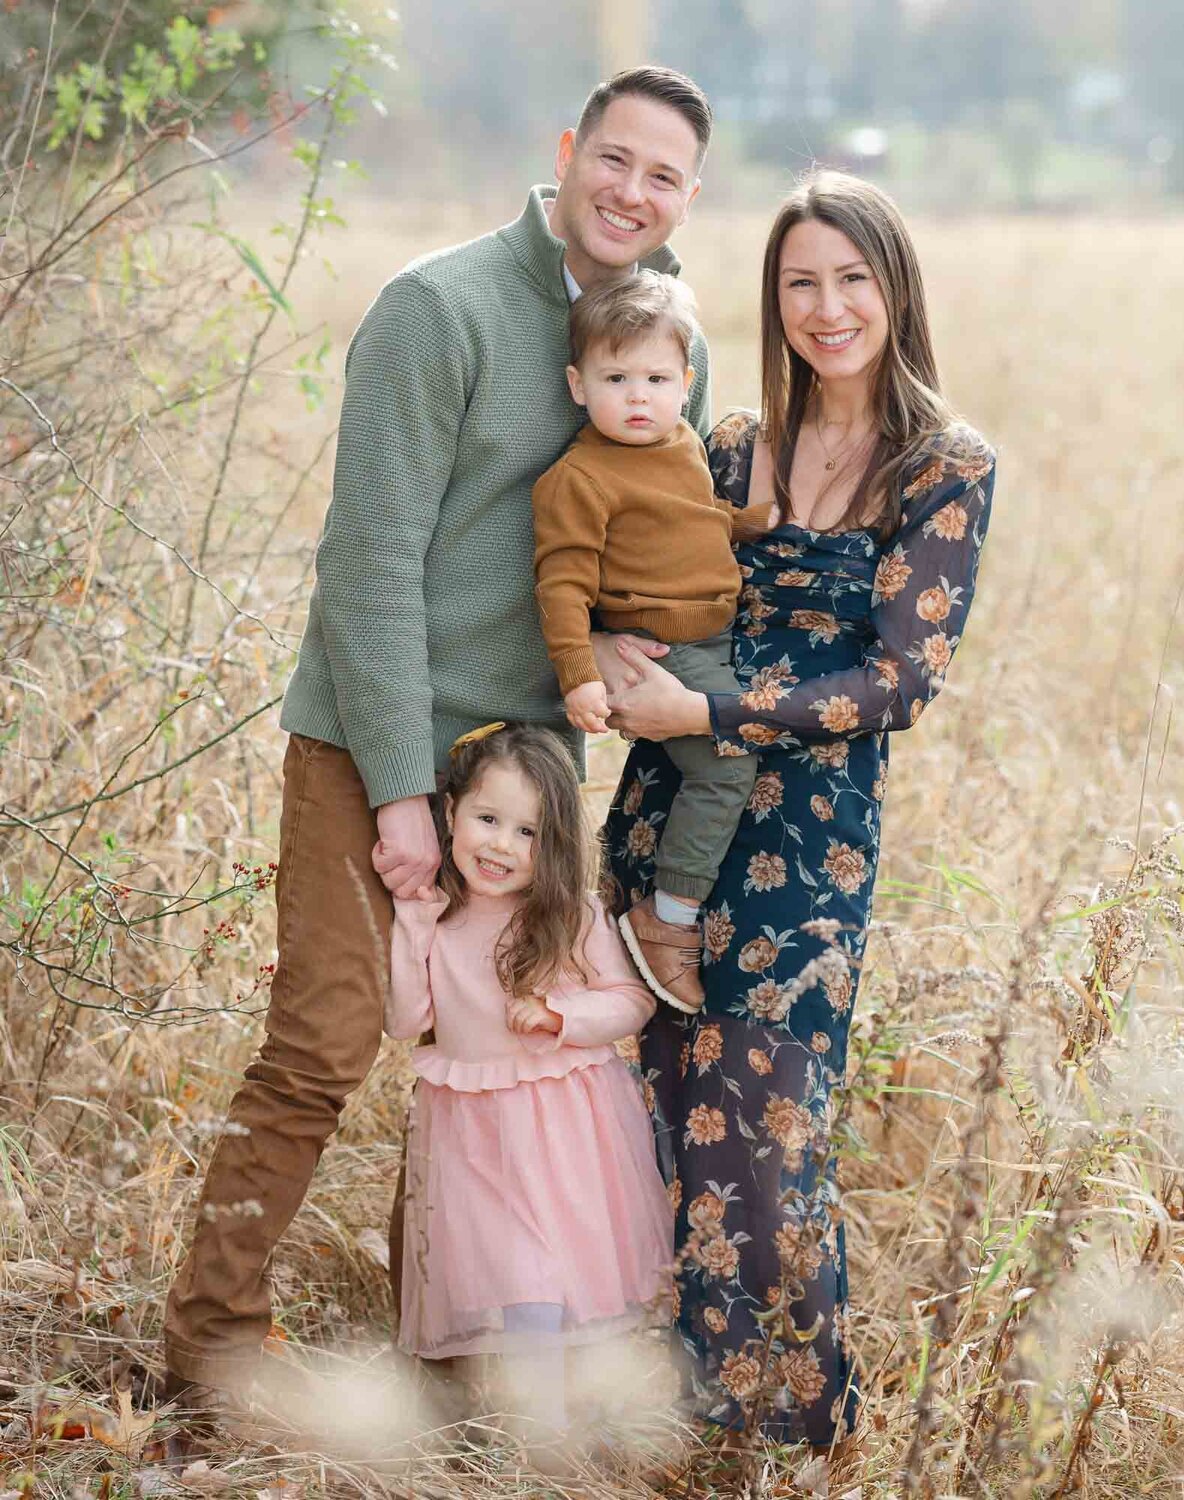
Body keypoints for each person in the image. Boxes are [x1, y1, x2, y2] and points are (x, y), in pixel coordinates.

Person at [162, 66, 713, 1401]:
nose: (634, 192)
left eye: (667, 176)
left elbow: (648, 522)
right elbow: (371, 566)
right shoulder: (439, 306)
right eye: (617, 159)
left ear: (689, 197)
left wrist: (645, 638)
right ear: (569, 148)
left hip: (525, 771)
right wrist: (401, 793)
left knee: (491, 1054)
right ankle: (208, 1354)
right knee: (326, 1039)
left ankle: (454, 1351)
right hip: (378, 744)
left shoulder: (658, 326)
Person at [600, 169, 997, 1456]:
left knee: (769, 1152)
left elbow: (898, 682)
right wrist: (610, 653)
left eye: (850, 280)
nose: (826, 309)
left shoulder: (946, 466)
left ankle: (791, 1441)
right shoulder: (723, 445)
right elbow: (636, 585)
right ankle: (664, 1439)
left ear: (894, 290)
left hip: (805, 857)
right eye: (799, 284)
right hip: (667, 827)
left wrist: (708, 717)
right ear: (773, 302)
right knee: (647, 1131)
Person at [386, 722, 670, 1437]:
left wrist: (558, 1015)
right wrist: (411, 925)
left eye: (528, 833)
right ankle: (538, 1438)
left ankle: (575, 1431)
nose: (501, 845)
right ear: (450, 814)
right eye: (487, 820)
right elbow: (402, 1019)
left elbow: (630, 1002)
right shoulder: (439, 919)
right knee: (514, 1281)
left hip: (566, 1127)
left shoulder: (570, 916)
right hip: (474, 1131)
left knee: (566, 1278)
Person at [532, 271, 772, 1015]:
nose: (638, 396)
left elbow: (687, 523)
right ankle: (667, 920)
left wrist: (748, 524)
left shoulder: (682, 446)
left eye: (656, 378)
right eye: (616, 377)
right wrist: (580, 676)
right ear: (578, 384)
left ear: (685, 382)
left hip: (716, 633)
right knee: (729, 767)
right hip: (663, 653)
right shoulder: (579, 478)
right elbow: (563, 584)